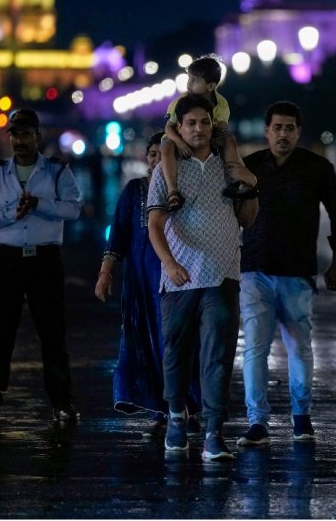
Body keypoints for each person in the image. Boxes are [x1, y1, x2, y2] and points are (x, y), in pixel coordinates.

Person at [146, 94, 258, 462]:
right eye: (190, 123)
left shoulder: (227, 166)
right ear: (178, 127)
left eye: (204, 122)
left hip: (223, 275)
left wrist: (251, 185)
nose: (198, 129)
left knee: (219, 356)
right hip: (180, 278)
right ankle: (177, 417)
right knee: (176, 353)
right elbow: (155, 224)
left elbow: (247, 219)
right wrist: (169, 263)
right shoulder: (168, 168)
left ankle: (213, 432)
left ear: (213, 126)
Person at [236, 101, 336, 446]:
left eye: (289, 128)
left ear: (298, 132)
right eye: (277, 127)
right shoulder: (250, 167)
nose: (283, 134)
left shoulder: (317, 168)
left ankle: (301, 416)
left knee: (299, 346)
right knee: (255, 347)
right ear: (266, 131)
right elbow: (229, 213)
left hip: (298, 272)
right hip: (254, 268)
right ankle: (257, 421)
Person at [0, 108, 83, 423]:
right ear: (9, 138)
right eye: (15, 135)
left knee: (52, 333)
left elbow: (73, 209)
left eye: (26, 134)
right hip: (6, 258)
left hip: (44, 259)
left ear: (38, 137)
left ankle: (62, 402)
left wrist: (40, 205)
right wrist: (10, 213)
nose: (20, 141)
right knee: (0, 333)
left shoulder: (58, 171)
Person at [94, 132, 202, 436]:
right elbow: (118, 235)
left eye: (161, 154)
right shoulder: (134, 191)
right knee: (146, 339)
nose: (156, 160)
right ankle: (160, 406)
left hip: (180, 278)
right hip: (142, 281)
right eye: (152, 154)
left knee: (180, 341)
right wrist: (106, 272)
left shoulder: (184, 190)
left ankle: (186, 405)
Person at [159, 54, 248, 212]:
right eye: (189, 78)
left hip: (207, 140)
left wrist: (222, 130)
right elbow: (169, 127)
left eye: (194, 80)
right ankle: (172, 192)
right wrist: (179, 143)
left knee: (229, 139)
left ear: (211, 86)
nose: (189, 83)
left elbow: (220, 128)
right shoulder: (180, 102)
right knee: (166, 146)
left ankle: (236, 179)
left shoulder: (221, 104)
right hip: (178, 140)